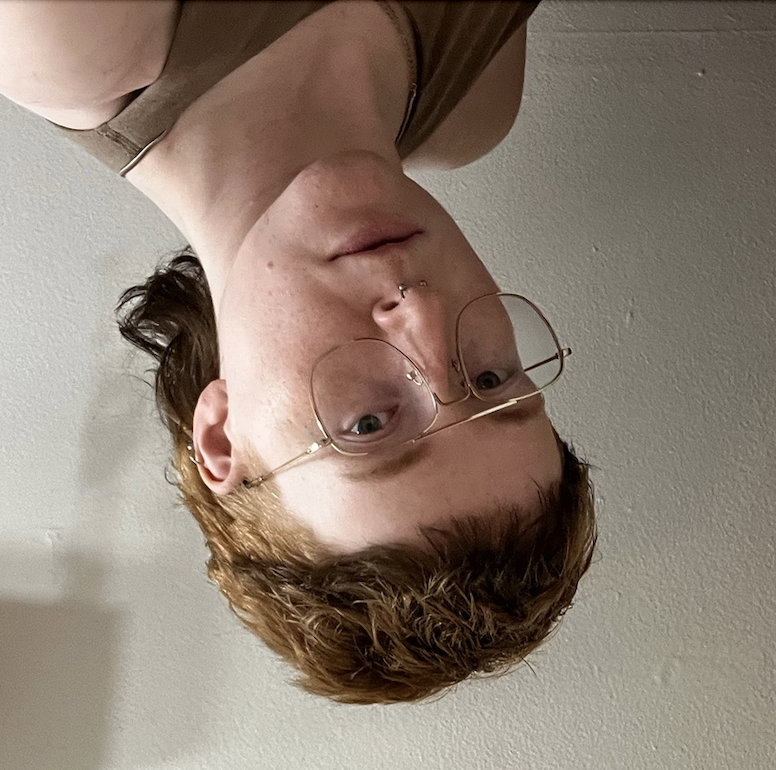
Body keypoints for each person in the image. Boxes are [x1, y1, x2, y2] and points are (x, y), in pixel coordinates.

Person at [0, 0, 596, 703]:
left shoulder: (74, 38)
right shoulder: (477, 106)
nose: (422, 313)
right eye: (491, 378)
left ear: (222, 434)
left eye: (368, 424)